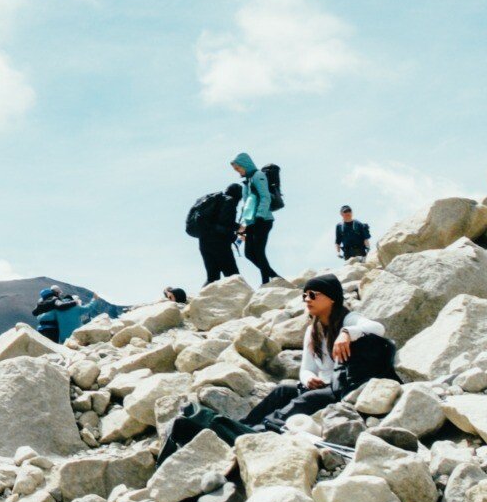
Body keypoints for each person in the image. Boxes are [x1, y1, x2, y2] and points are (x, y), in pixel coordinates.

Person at [157, 274, 394, 460]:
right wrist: (309, 377)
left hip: (341, 388)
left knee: (303, 401)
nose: (307, 300)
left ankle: (265, 431)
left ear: (331, 298)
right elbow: (306, 367)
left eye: (313, 295)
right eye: (304, 295)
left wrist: (346, 334)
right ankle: (246, 426)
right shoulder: (313, 330)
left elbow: (377, 328)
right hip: (321, 385)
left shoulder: (348, 320)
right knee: (283, 390)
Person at [231, 153, 280, 283]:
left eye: (238, 168)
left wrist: (259, 217)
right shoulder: (247, 181)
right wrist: (243, 225)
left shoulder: (258, 176)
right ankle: (275, 277)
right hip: (251, 223)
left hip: (263, 220)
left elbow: (265, 197)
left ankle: (266, 282)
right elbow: (246, 206)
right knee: (249, 254)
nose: (237, 171)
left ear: (245, 165)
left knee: (258, 252)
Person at [188, 183, 242, 284]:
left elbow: (216, 223)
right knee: (233, 275)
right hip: (219, 243)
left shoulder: (216, 200)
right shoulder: (230, 201)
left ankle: (202, 299)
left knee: (212, 277)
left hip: (203, 241)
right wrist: (238, 230)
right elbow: (225, 224)